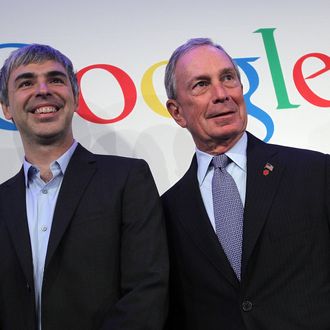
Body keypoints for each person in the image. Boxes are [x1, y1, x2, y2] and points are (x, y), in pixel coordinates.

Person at [162, 37, 330, 330]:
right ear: (177, 112)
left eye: (228, 78)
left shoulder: (315, 173)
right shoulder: (166, 210)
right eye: (201, 84)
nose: (221, 94)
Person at [0, 44, 168, 330]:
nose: (43, 90)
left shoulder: (127, 179)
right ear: (6, 107)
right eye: (26, 82)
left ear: (75, 97)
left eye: (55, 79)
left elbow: (147, 291)